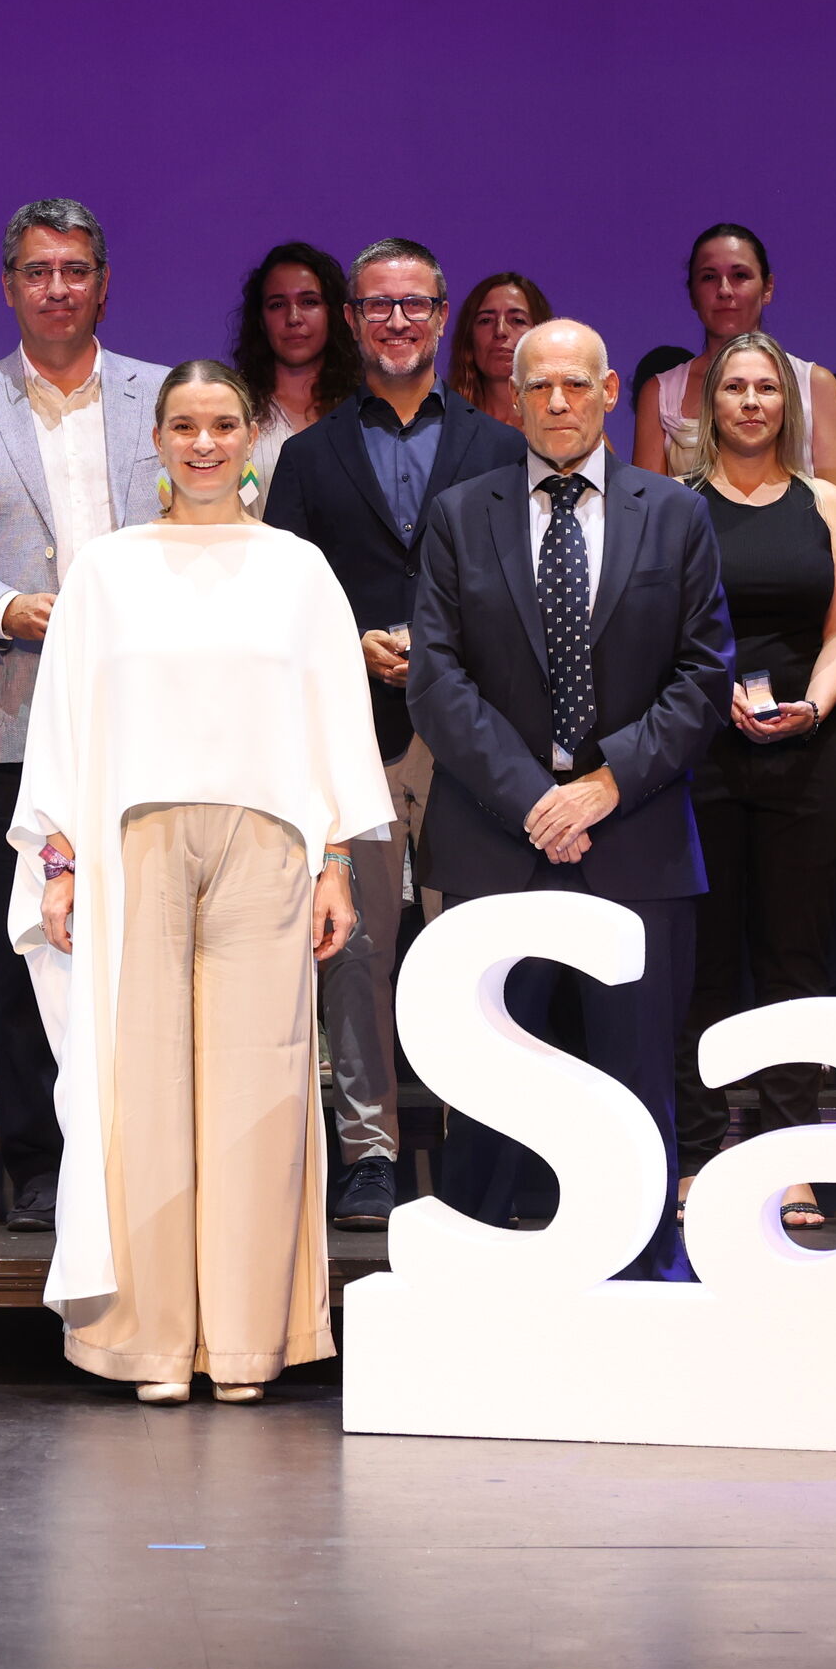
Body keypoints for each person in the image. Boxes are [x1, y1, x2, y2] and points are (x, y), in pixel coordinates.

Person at [15, 361, 385, 1401]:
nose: (205, 443)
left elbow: (335, 719)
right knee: (139, 1092)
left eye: (223, 424)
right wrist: (58, 862)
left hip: (267, 847)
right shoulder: (106, 569)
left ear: (250, 436)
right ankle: (150, 1343)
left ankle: (246, 1343)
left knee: (260, 1091)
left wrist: (336, 861)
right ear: (158, 439)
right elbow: (63, 721)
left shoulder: (298, 569)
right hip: (132, 842)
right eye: (184, 425)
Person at [405, 318, 733, 1280]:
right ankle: (477, 1288)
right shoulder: (460, 514)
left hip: (636, 839)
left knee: (635, 1085)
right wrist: (532, 800)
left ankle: (643, 1281)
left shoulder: (673, 513)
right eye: (538, 386)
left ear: (610, 391)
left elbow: (703, 675)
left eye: (575, 385)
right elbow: (437, 680)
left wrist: (602, 786)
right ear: (512, 399)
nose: (557, 403)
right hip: (496, 843)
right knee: (491, 1093)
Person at [0, 197, 165, 1232]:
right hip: (8, 706)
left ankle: (139, 1156)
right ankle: (38, 1166)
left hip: (152, 715)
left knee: (150, 940)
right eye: (38, 271)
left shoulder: (161, 395)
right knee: (26, 949)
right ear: (9, 286)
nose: (58, 287)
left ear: (104, 283)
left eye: (75, 269)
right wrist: (3, 609)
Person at [253, 236, 526, 1227]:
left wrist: (442, 648)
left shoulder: (500, 447)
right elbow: (282, 593)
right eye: (378, 305)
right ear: (354, 319)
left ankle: (482, 1144)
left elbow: (523, 590)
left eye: (414, 304)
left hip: (471, 732)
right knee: (357, 946)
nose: (397, 321)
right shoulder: (309, 454)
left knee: (472, 942)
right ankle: (368, 1150)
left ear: (441, 315)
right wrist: (349, 643)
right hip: (351, 730)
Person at [673, 331, 836, 1230]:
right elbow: (661, 630)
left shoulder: (824, 502)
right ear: (709, 403)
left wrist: (815, 707)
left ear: (788, 405)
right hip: (700, 753)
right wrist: (712, 698)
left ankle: (791, 1162)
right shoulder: (676, 505)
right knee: (704, 961)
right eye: (735, 388)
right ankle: (701, 1154)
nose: (751, 402)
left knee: (797, 959)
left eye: (767, 389)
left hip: (806, 752)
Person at [628, 225, 836, 503]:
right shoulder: (659, 392)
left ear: (768, 288)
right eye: (709, 277)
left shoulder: (815, 384)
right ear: (692, 294)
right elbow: (647, 510)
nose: (724, 290)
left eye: (740, 275)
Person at [234, 240, 359, 486]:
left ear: (333, 313)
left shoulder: (365, 408)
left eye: (309, 302)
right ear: (261, 320)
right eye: (277, 305)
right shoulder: (234, 409)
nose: (293, 318)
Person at [443, 269, 552, 428]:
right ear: (469, 337)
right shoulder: (444, 424)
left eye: (517, 320)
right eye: (486, 320)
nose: (500, 331)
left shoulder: (563, 422)